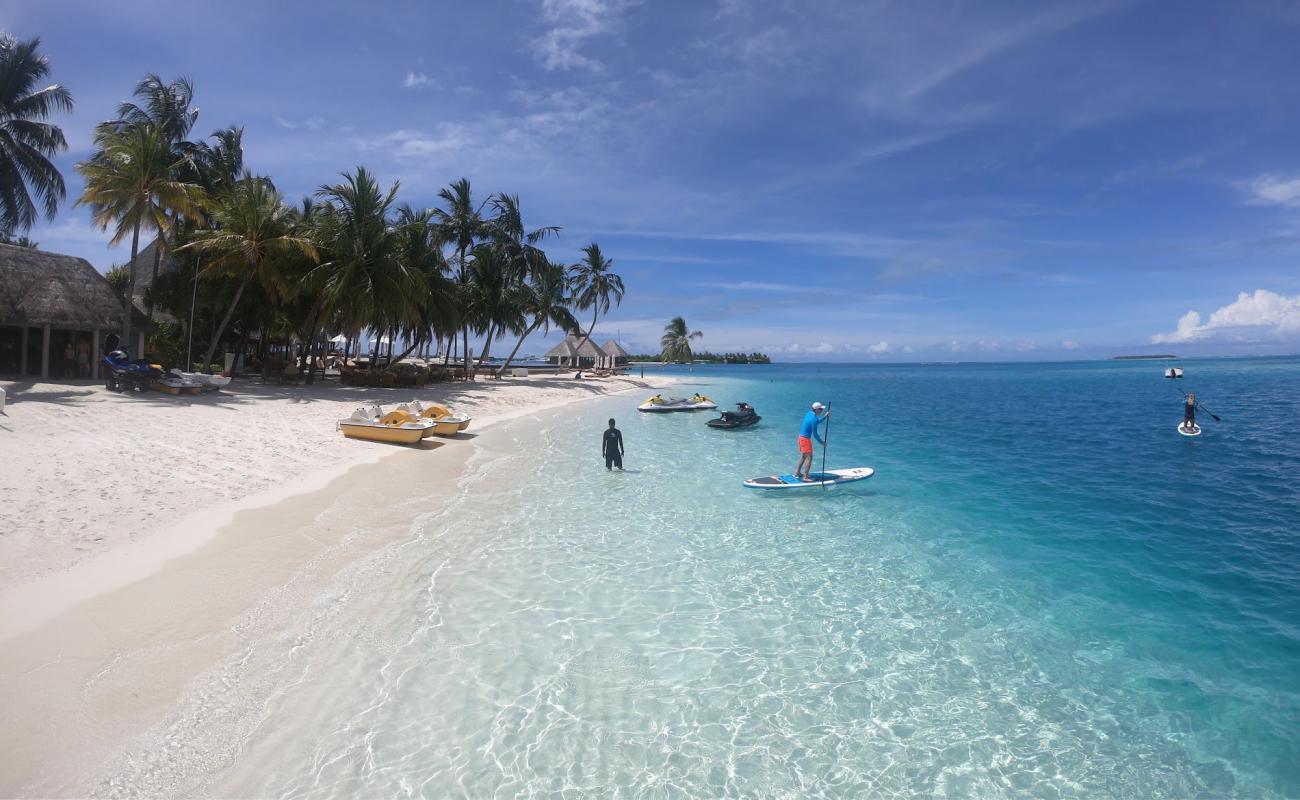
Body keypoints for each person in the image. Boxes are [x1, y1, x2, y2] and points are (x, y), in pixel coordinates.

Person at [795, 401, 829, 482]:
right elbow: (815, 434)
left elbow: (816, 421)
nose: (821, 410)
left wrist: (825, 416)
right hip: (805, 440)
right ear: (816, 410)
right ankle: (805, 477)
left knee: (803, 456)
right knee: (809, 458)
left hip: (800, 437)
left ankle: (797, 473)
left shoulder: (809, 413)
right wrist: (822, 443)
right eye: (820, 409)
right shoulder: (813, 419)